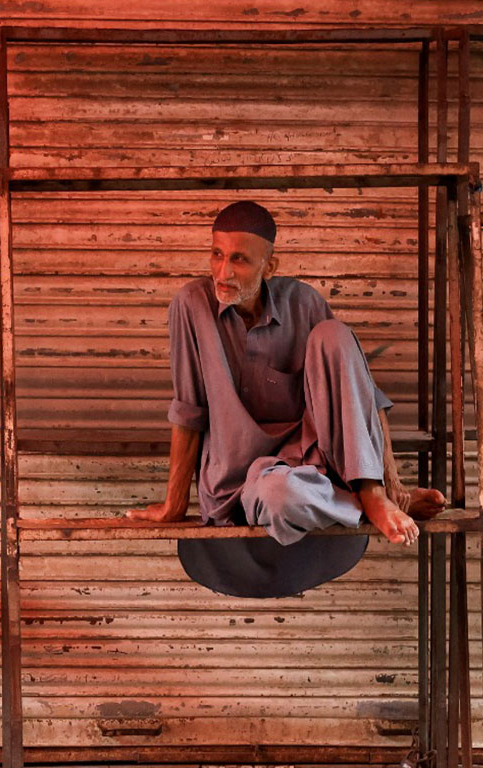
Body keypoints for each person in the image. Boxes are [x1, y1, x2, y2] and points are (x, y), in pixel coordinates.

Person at [127, 199, 444, 595]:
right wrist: (174, 505)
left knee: (336, 336)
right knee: (282, 497)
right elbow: (188, 411)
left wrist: (390, 484)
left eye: (239, 260)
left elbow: (363, 393)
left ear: (269, 267)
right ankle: (361, 503)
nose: (223, 272)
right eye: (216, 255)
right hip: (249, 488)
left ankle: (373, 495)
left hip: (312, 468)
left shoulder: (304, 302)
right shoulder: (191, 306)